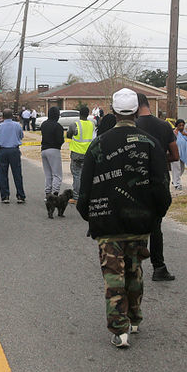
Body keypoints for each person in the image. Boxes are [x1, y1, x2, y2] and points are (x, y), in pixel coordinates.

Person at [76, 88, 172, 348]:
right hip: (141, 222)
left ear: (115, 110)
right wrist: (157, 214)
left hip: (107, 220)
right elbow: (162, 185)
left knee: (113, 275)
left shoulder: (99, 144)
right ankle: (135, 317)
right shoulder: (149, 142)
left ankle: (120, 330)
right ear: (136, 110)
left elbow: (84, 189)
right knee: (135, 270)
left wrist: (87, 214)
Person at [135, 93, 178, 281]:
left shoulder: (132, 127)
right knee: (156, 225)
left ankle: (133, 267)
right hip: (159, 180)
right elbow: (175, 155)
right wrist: (158, 161)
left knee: (134, 222)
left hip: (135, 180)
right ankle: (159, 267)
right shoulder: (163, 125)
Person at [0, 109, 25, 203]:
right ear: (12, 116)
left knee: (2, 174)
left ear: (2, 117)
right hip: (14, 150)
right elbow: (21, 136)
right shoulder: (17, 125)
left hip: (3, 150)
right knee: (17, 173)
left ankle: (5, 196)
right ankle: (20, 195)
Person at [67, 106, 94, 203]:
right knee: (85, 175)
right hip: (88, 153)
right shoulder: (92, 124)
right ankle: (86, 196)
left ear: (79, 114)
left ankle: (76, 197)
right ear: (88, 114)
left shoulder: (75, 125)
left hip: (77, 153)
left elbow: (68, 135)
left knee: (77, 175)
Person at [40, 106, 65, 199]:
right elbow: (60, 140)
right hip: (54, 150)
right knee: (57, 174)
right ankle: (55, 194)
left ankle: (47, 193)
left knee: (48, 174)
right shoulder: (58, 126)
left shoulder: (44, 124)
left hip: (44, 149)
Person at [171, 119, 187, 189]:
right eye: (180, 125)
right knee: (176, 168)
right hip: (175, 153)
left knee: (182, 169)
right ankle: (177, 184)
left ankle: (175, 179)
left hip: (183, 153)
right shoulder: (173, 133)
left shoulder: (185, 132)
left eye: (183, 125)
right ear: (176, 126)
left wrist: (186, 135)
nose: (181, 127)